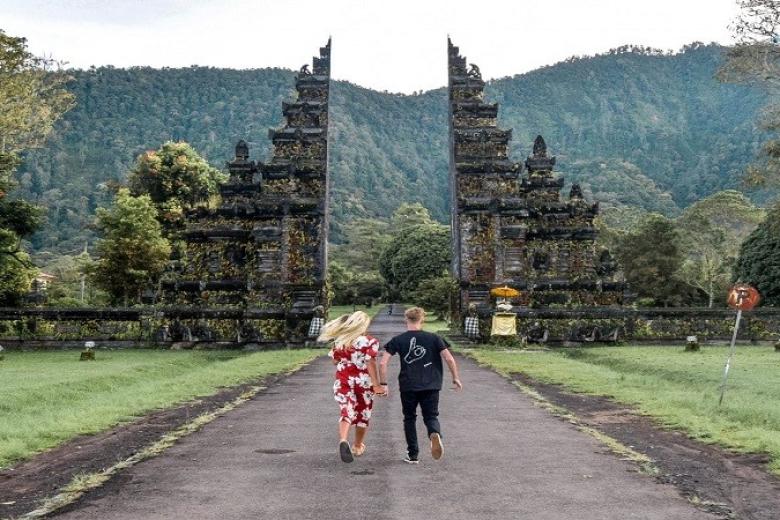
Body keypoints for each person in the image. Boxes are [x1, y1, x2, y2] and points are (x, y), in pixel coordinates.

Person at [379, 307, 463, 464]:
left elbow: (383, 363)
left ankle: (413, 454)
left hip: (408, 385)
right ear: (422, 319)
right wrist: (455, 378)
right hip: (431, 384)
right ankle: (434, 433)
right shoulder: (434, 338)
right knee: (431, 416)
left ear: (406, 319)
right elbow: (449, 359)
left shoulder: (398, 340)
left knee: (409, 418)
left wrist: (383, 384)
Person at [318, 311, 387, 463]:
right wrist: (377, 385)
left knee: (346, 410)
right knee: (363, 413)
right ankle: (357, 445)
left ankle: (343, 439)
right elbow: (370, 362)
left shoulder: (341, 340)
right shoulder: (370, 341)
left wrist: (346, 358)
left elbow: (335, 361)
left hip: (344, 380)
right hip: (363, 382)